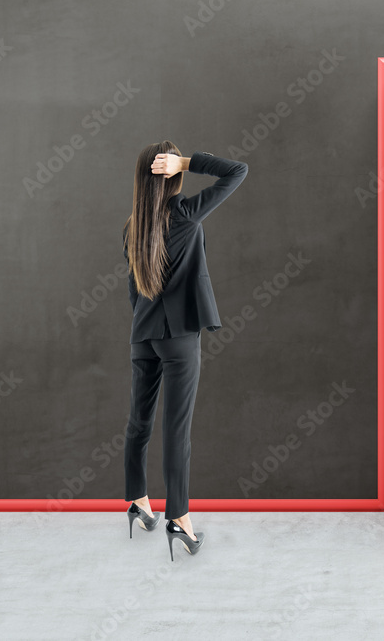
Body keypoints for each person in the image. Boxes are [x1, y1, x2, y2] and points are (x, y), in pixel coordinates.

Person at [121, 140, 248, 559]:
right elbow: (237, 170)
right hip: (179, 338)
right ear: (172, 174)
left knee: (139, 422)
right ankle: (180, 519)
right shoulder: (186, 214)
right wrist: (189, 161)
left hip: (143, 335)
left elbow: (132, 290)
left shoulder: (132, 226)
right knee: (176, 431)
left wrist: (144, 323)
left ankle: (137, 502)